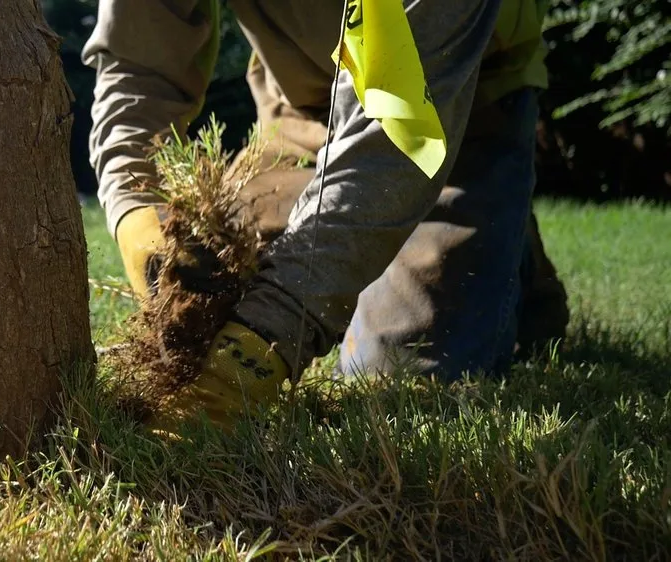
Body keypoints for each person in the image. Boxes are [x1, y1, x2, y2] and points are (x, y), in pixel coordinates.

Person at [81, 0, 570, 429]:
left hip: (444, 110)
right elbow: (136, 63)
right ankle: (472, 236)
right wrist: (140, 218)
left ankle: (493, 239)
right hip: (303, 107)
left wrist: (256, 351)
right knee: (219, 277)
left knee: (393, 374)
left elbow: (390, 143)